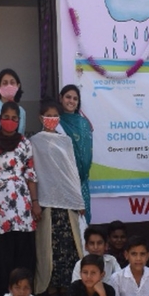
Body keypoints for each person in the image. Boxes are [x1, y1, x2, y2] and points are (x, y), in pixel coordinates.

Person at [0, 101, 40, 296]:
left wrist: (34, 202)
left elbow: (30, 173)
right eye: (6, 117)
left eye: (14, 118)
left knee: (23, 250)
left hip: (23, 204)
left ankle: (24, 294)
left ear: (19, 121)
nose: (9, 121)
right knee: (2, 252)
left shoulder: (24, 142)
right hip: (1, 204)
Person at [30, 101, 85, 296]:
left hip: (67, 201)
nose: (52, 119)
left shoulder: (66, 141)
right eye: (48, 115)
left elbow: (72, 172)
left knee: (68, 245)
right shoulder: (34, 141)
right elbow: (35, 171)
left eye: (55, 115)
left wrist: (78, 200)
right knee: (49, 246)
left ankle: (67, 287)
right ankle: (50, 287)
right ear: (40, 118)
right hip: (46, 201)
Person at [59, 84, 94, 219]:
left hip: (82, 180)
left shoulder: (84, 123)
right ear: (61, 98)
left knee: (82, 222)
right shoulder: (56, 122)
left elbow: (87, 152)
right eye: (68, 97)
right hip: (64, 179)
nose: (71, 101)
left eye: (75, 99)